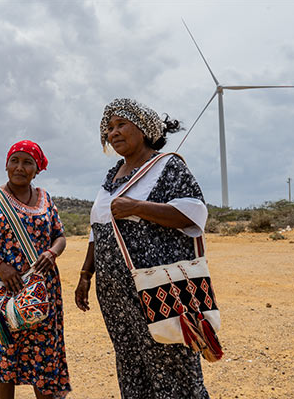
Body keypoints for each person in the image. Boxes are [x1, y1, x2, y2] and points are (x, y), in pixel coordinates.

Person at [74, 98, 210, 398]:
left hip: (158, 288)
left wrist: (138, 207)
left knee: (173, 363)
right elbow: (98, 230)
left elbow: (195, 213)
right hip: (115, 295)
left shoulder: (167, 166)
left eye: (121, 124)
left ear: (144, 128)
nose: (113, 133)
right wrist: (86, 274)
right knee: (131, 361)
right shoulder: (112, 176)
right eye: (109, 128)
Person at [0, 140, 71, 399]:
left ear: (37, 168)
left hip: (43, 291)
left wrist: (51, 252)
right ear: (7, 164)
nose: (19, 167)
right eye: (15, 161)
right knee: (8, 354)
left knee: (45, 356)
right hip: (7, 292)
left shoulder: (45, 198)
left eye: (27, 162)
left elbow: (60, 236)